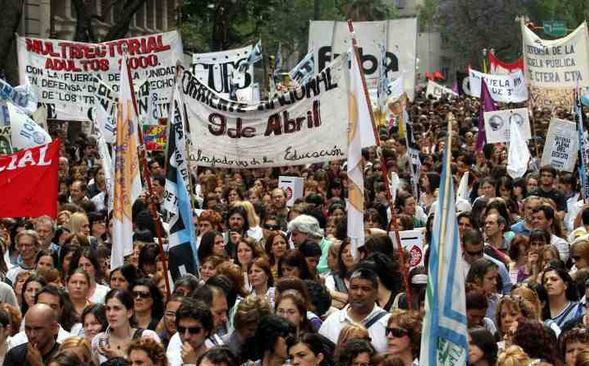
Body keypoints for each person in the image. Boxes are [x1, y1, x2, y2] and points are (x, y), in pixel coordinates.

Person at [319, 267, 390, 352]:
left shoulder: (387, 323)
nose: (359, 293)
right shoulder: (331, 322)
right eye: (354, 288)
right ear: (348, 290)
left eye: (365, 289)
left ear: (376, 293)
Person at [91, 289, 161, 365]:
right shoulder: (98, 340)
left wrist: (118, 358)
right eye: (108, 309)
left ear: (129, 312)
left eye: (116, 308)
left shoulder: (147, 337)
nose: (111, 314)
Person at [166, 298, 213, 366]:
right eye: (181, 330)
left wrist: (191, 364)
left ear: (206, 331)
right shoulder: (171, 358)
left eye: (193, 330)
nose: (186, 336)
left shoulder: (217, 360)